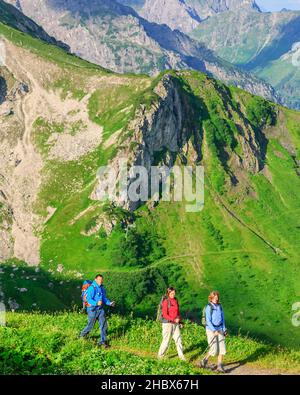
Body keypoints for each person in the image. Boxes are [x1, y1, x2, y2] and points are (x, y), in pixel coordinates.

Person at [79, 274, 115, 348]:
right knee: (90, 325)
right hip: (92, 310)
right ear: (95, 279)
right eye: (99, 280)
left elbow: (104, 298)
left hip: (100, 309)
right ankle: (82, 336)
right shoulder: (92, 288)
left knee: (104, 325)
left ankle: (102, 342)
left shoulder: (101, 288)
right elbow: (89, 299)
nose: (100, 281)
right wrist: (96, 303)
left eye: (101, 280)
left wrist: (109, 303)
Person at [200, 291, 227, 373]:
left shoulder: (220, 306)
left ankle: (219, 366)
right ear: (211, 298)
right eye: (214, 297)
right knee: (214, 349)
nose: (216, 299)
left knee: (222, 348)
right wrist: (213, 330)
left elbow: (222, 319)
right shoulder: (208, 307)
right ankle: (204, 360)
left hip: (220, 329)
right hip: (211, 330)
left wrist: (224, 329)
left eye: (217, 297)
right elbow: (208, 321)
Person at [157, 287, 186, 361]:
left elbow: (177, 312)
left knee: (178, 339)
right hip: (167, 324)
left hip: (176, 324)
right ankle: (160, 356)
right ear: (168, 293)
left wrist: (180, 321)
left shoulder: (175, 300)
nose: (173, 294)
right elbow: (164, 314)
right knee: (166, 340)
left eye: (174, 293)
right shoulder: (166, 301)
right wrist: (173, 320)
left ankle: (181, 357)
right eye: (172, 293)